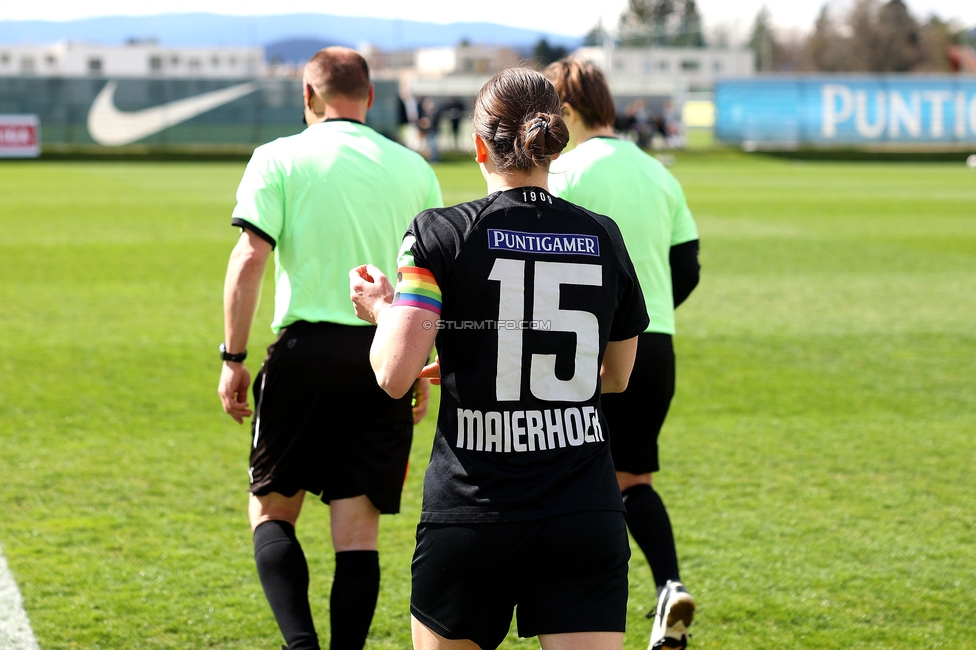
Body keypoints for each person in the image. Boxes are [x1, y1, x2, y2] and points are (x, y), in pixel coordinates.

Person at [349, 67, 650, 650]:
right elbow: (616, 375)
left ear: (479, 144)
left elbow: (392, 374)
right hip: (583, 508)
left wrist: (383, 310)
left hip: (474, 510)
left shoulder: (440, 232)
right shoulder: (604, 234)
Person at [217, 46, 443, 650]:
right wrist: (417, 366)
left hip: (305, 355)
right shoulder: (414, 168)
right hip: (384, 353)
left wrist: (233, 359)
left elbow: (249, 260)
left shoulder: (277, 157)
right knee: (357, 533)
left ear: (307, 96)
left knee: (271, 513)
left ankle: (301, 646)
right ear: (370, 98)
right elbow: (431, 286)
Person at [544, 58, 701, 650]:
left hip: (586, 351)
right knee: (632, 477)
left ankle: (580, 607)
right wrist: (650, 316)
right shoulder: (658, 172)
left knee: (570, 476)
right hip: (656, 345)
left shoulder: (564, 173)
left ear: (561, 112)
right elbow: (686, 266)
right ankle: (668, 588)